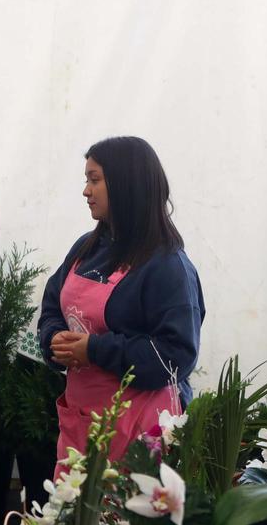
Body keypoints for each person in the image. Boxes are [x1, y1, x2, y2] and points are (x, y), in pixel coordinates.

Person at [37, 136, 203, 475]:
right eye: (87, 179)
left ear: (126, 184)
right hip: (81, 424)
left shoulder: (167, 266)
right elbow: (53, 303)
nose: (86, 190)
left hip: (140, 435)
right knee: (73, 523)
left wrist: (95, 350)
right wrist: (54, 338)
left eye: (94, 179)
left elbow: (176, 355)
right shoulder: (86, 248)